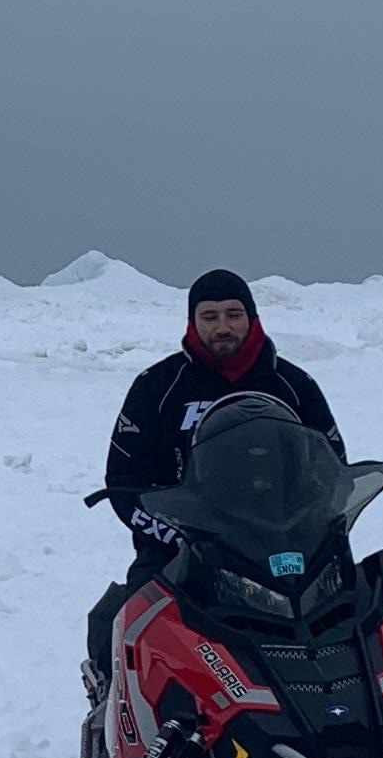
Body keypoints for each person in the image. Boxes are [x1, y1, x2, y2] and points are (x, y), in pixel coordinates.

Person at [90, 270, 343, 672]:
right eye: (209, 317)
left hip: (284, 546)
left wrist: (310, 527)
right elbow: (124, 483)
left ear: (252, 318)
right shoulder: (156, 387)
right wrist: (180, 535)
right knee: (129, 633)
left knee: (354, 616)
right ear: (192, 323)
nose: (222, 326)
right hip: (181, 548)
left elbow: (330, 471)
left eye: (233, 314)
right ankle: (118, 708)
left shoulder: (295, 385)